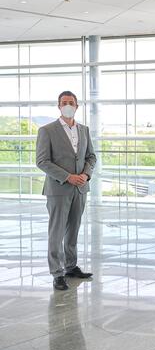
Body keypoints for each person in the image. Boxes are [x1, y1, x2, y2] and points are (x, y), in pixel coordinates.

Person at [36, 91, 96, 291]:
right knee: (57, 232)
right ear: (58, 106)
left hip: (80, 188)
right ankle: (57, 273)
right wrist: (68, 177)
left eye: (71, 102)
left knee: (73, 230)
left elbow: (91, 157)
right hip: (58, 189)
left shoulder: (84, 130)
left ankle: (70, 267)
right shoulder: (47, 130)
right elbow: (42, 161)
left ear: (77, 106)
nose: (68, 105)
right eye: (64, 102)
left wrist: (85, 175)